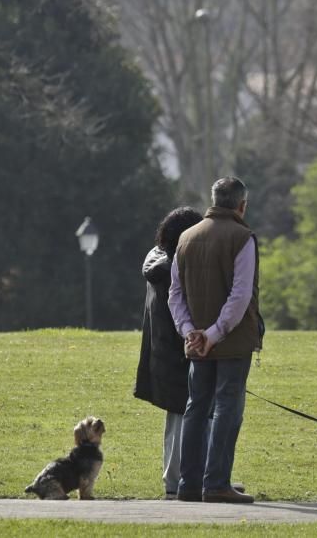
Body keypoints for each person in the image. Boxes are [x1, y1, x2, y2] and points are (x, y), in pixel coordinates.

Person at [169, 177, 264, 504]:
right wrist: (213, 334)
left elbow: (175, 295)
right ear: (242, 205)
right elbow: (240, 297)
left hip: (195, 341)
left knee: (196, 408)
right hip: (232, 341)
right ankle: (217, 483)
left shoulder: (186, 237)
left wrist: (190, 332)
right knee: (227, 409)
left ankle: (189, 483)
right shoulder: (243, 238)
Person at [134, 206, 203, 500]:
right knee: (184, 414)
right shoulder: (173, 267)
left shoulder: (156, 260)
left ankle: (179, 476)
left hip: (161, 350)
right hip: (177, 350)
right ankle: (180, 479)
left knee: (177, 417)